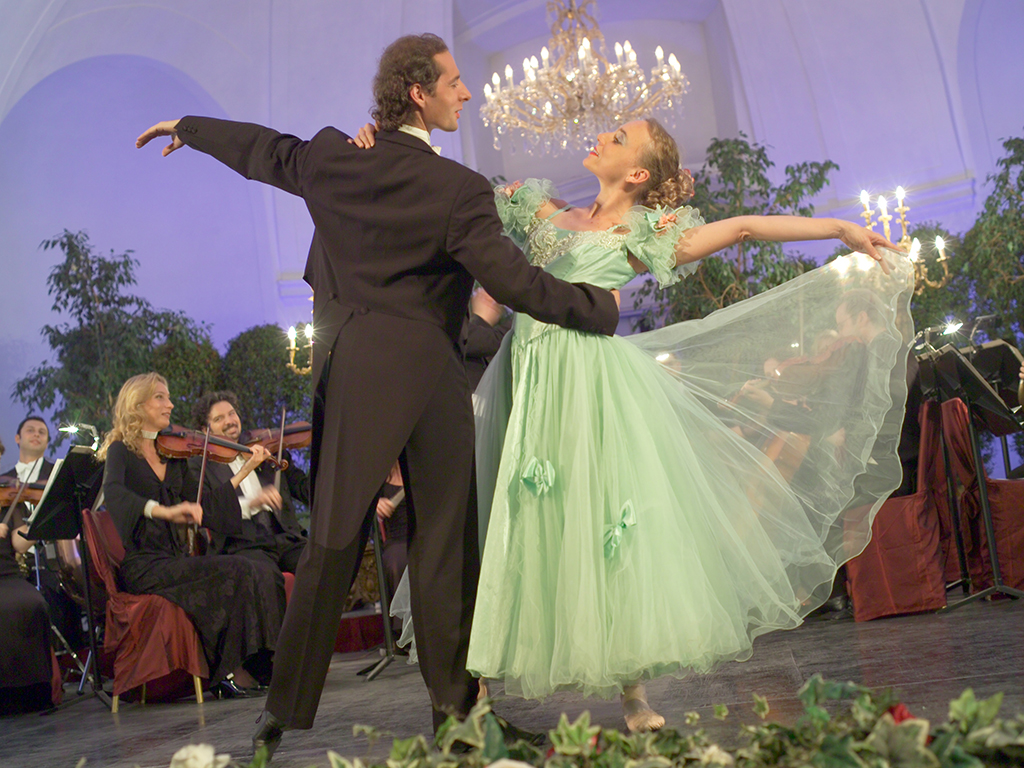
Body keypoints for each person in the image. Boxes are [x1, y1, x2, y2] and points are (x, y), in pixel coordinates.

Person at [136, 33, 619, 757]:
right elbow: (515, 283)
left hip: (359, 365)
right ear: (419, 93)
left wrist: (190, 128)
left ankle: (278, 719)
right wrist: (598, 307)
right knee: (445, 546)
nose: (465, 92)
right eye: (453, 82)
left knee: (331, 541)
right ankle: (457, 717)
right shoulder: (459, 188)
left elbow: (266, 151)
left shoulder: (338, 158)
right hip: (431, 371)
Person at [358, 117, 911, 731]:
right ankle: (476, 681)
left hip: (590, 386)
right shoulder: (535, 209)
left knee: (606, 516)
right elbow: (444, 200)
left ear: (638, 173)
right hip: (527, 380)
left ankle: (633, 691)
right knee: (507, 513)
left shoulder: (642, 236)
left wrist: (839, 228)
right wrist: (383, 148)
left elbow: (745, 227)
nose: (602, 138)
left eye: (618, 138)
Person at [98, 373, 286, 699]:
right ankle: (227, 672)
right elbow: (113, 494)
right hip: (144, 566)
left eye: (168, 397)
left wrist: (245, 469)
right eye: (160, 397)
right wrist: (164, 511)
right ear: (137, 405)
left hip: (175, 560)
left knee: (248, 567)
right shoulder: (120, 451)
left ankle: (255, 665)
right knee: (238, 568)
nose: (170, 404)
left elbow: (207, 506)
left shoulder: (173, 456)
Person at [190, 391, 308, 574]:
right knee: (264, 575)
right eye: (219, 418)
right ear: (206, 431)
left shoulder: (267, 451)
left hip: (285, 539)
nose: (230, 421)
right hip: (241, 546)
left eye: (232, 414)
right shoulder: (201, 465)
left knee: (319, 563)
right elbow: (208, 510)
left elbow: (305, 489)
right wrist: (252, 502)